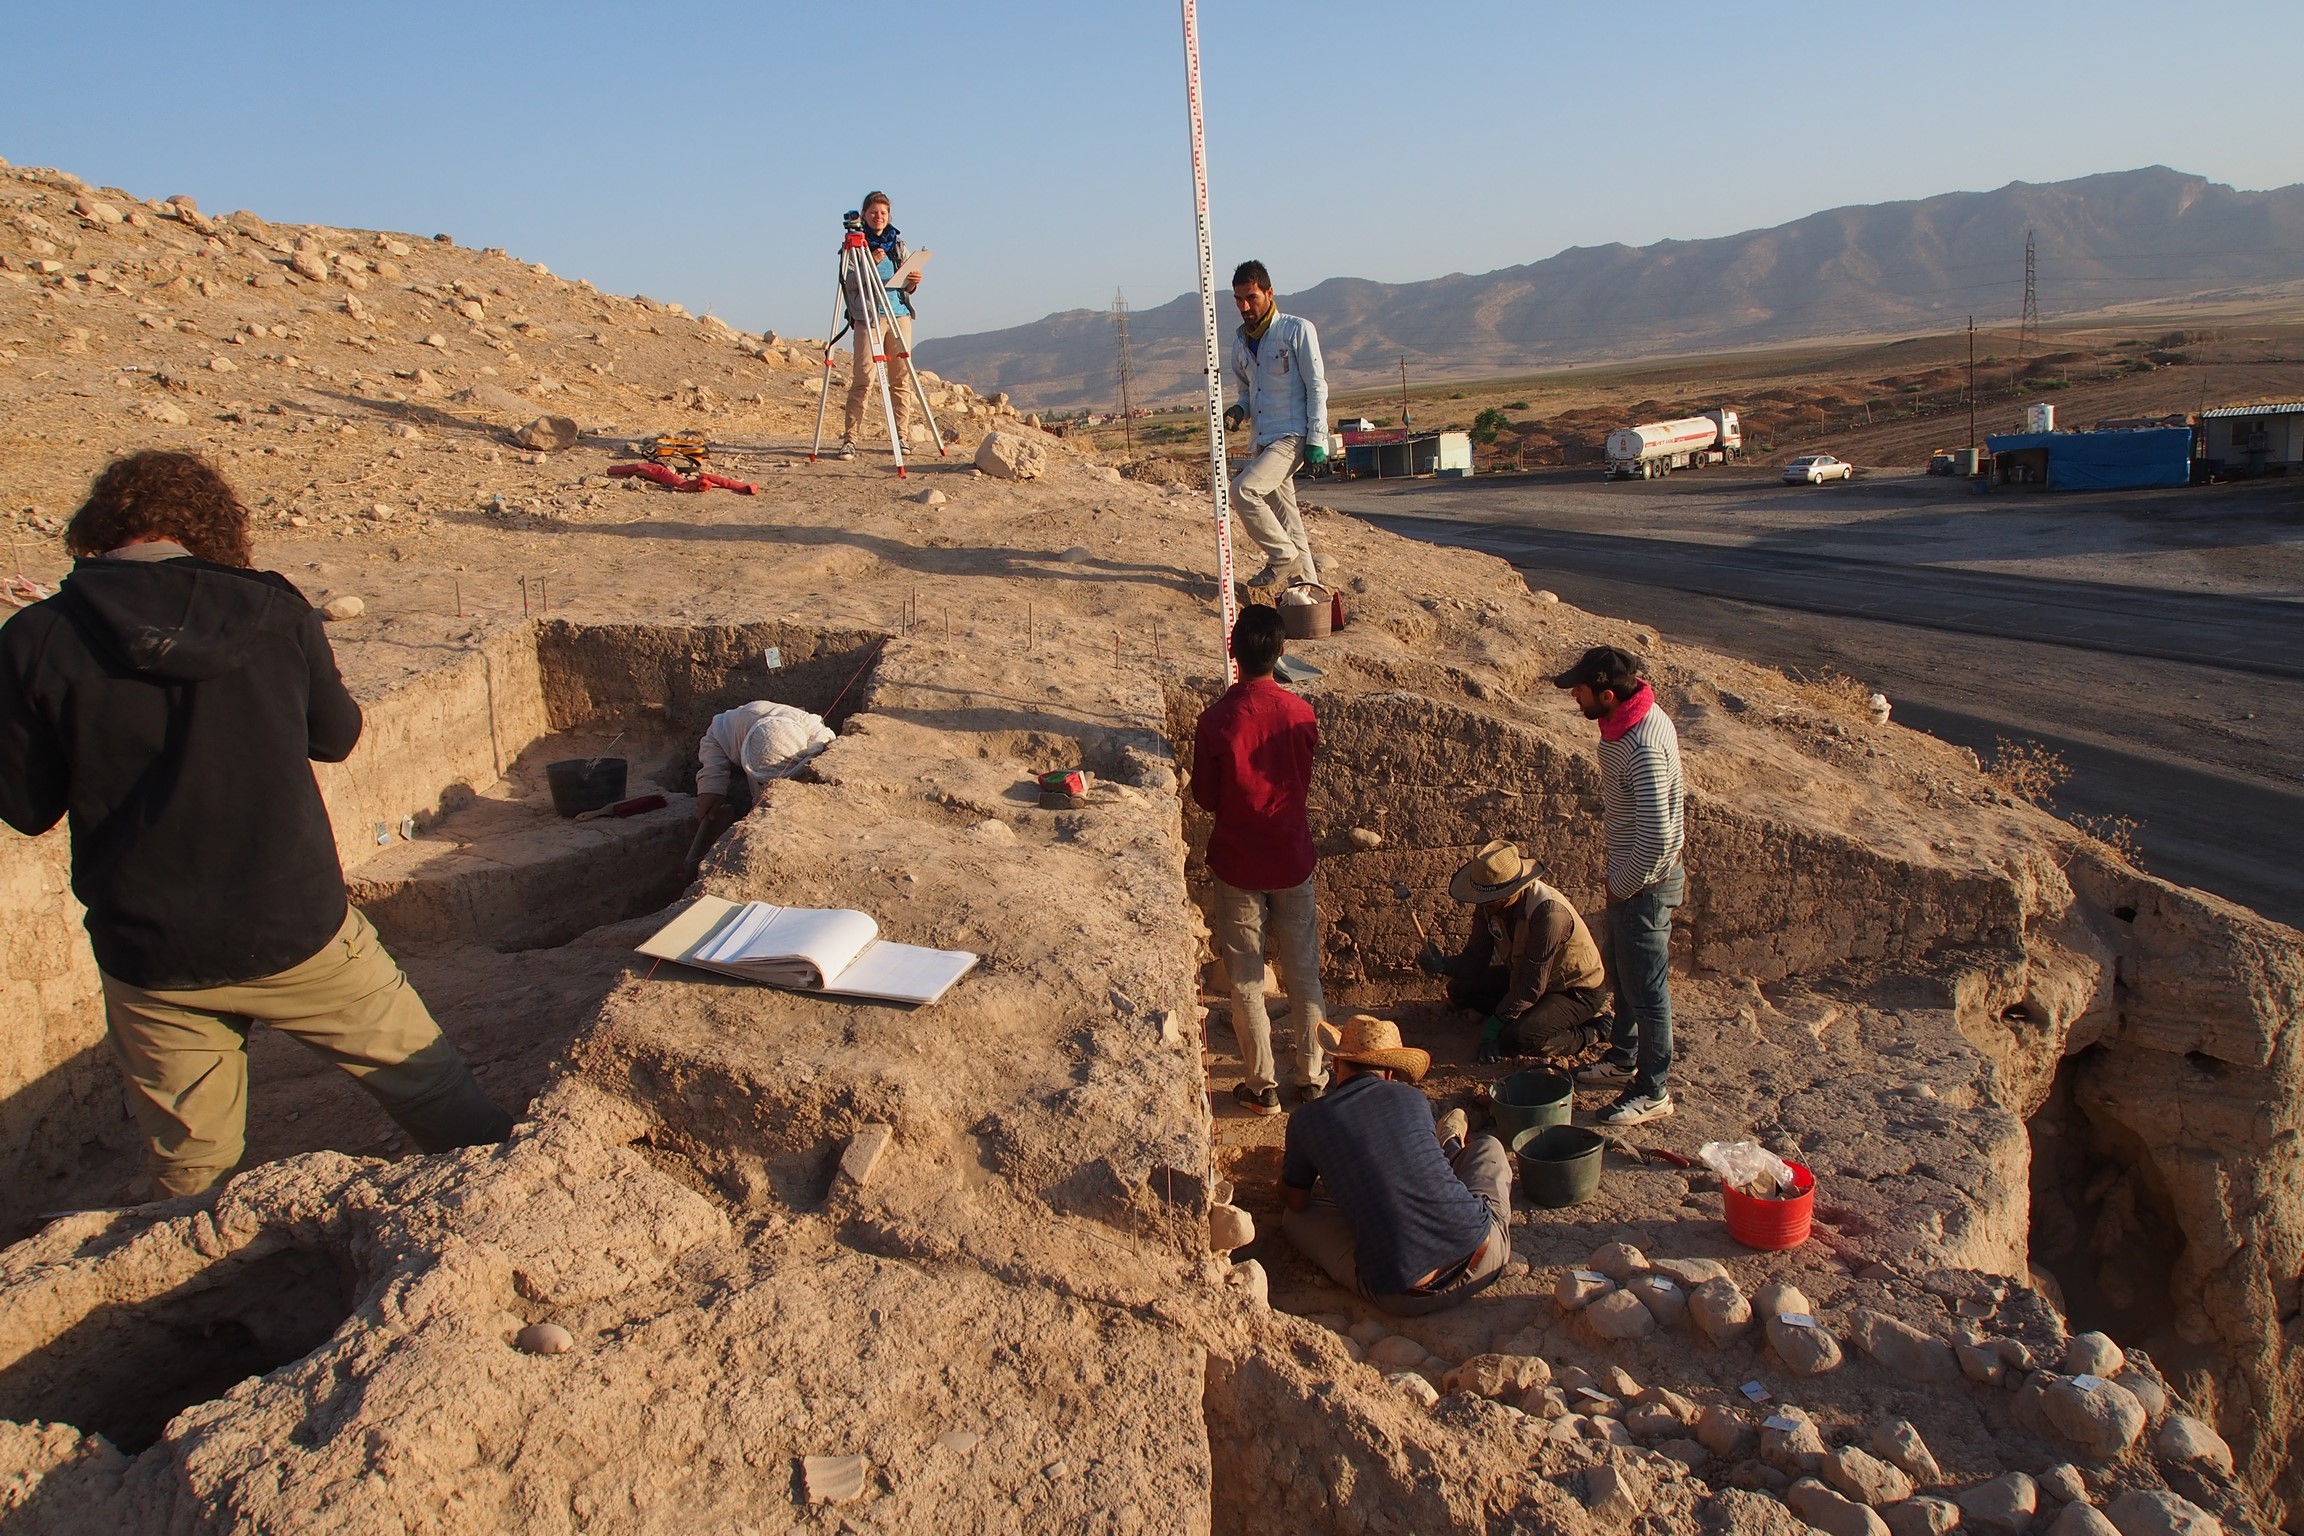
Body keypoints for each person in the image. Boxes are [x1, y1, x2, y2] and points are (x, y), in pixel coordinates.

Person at [0, 451, 512, 1198]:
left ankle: (204, 1296)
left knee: (192, 1173)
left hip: (152, 950)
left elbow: (27, 805)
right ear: (209, 525)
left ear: (102, 530)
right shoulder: (272, 608)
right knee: (433, 1094)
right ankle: (503, 1205)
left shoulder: (34, 638)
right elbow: (335, 736)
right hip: (292, 924)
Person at [1279, 1014, 1511, 1316]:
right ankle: (1451, 1140)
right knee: (1489, 1148)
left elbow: (1296, 1200)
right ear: (1389, 1073)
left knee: (1293, 1220)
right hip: (1486, 1258)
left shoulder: (1307, 1119)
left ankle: (1449, 1142)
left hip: (1406, 1297)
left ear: (1336, 1064)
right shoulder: (1414, 1099)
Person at [1191, 605, 1327, 1114]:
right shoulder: (1301, 714)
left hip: (1238, 863)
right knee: (1303, 971)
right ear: (1283, 652)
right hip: (1292, 858)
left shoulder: (1216, 721)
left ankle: (1261, 1083)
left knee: (1247, 976)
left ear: (1234, 651)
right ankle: (1313, 1075)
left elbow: (1206, 797)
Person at [1552, 645, 1686, 1127]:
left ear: (1607, 695)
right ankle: (1623, 1057)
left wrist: (1622, 885)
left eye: (1581, 691)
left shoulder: (1642, 745)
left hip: (1645, 885)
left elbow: (1658, 835)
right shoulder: (1630, 722)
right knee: (1627, 977)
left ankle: (1653, 1089)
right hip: (1633, 878)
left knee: (1648, 992)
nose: (1575, 697)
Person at [1421, 839, 1609, 1065]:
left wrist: (1494, 1028)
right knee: (1459, 990)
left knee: (1516, 1039)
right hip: (1523, 977)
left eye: (1491, 900)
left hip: (1572, 991)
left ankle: (1592, 1031)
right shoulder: (1488, 904)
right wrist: (1443, 964)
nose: (1483, 904)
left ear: (1513, 890)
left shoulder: (1549, 915)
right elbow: (1475, 959)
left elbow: (1531, 986)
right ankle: (1527, 1018)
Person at [1223, 260, 1328, 589]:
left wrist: (1317, 438)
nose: (1244, 306)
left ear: (1269, 292)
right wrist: (1239, 410)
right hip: (1264, 440)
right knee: (1288, 519)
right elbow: (1246, 390)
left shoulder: (1296, 331)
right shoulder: (1241, 343)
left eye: (1251, 297)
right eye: (1239, 299)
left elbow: (1316, 385)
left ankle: (1282, 557)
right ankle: (1308, 592)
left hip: (1293, 436)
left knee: (1242, 491)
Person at [686, 700, 836, 871]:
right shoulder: (723, 730)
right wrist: (711, 788)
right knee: (761, 803)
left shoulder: (820, 738)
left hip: (790, 729)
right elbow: (712, 755)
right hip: (748, 725)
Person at [837, 190, 922, 461]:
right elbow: (847, 283)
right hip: (868, 317)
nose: (878, 217)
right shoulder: (854, 248)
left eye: (883, 213)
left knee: (900, 379)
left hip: (898, 315)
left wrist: (914, 280)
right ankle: (850, 438)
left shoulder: (898, 245)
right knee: (864, 378)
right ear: (864, 215)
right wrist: (869, 263)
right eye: (873, 212)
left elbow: (906, 287)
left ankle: (901, 435)